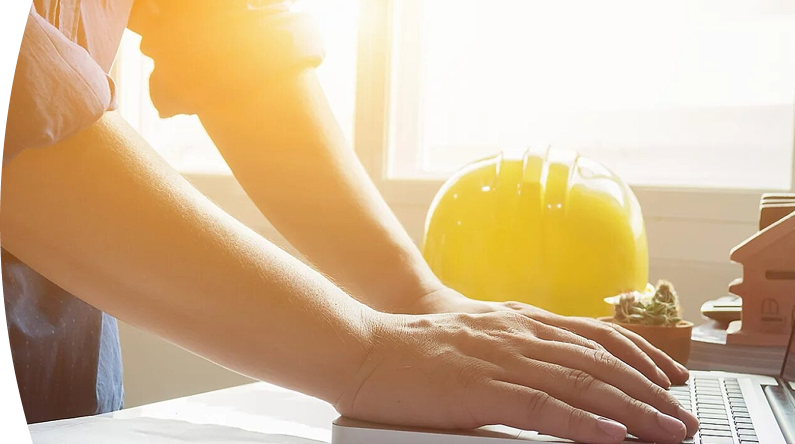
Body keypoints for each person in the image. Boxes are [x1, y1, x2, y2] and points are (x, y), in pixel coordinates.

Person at [2, 1, 698, 443]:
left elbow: (233, 43)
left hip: (66, 321)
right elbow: (22, 102)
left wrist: (412, 299)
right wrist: (363, 350)